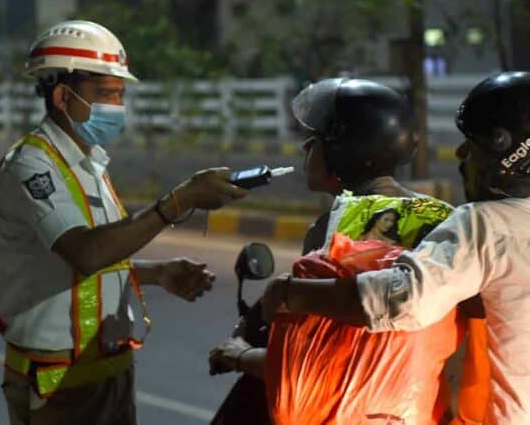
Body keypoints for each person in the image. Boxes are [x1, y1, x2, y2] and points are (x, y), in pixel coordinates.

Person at [261, 72, 530, 424]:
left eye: (470, 145)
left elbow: (402, 300)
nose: (461, 156)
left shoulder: (484, 224)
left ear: (504, 154)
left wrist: (293, 293)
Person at [0, 20, 249, 425]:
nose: (116, 106)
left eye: (120, 95)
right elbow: (85, 252)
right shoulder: (32, 165)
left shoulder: (90, 164)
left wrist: (157, 273)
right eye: (105, 94)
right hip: (60, 381)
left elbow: (86, 262)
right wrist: (178, 201)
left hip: (108, 370)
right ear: (62, 95)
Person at [207, 78, 482, 424]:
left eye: (319, 138)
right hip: (424, 407)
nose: (307, 145)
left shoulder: (334, 228)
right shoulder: (445, 216)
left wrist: (240, 355)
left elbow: (307, 359)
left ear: (344, 150)